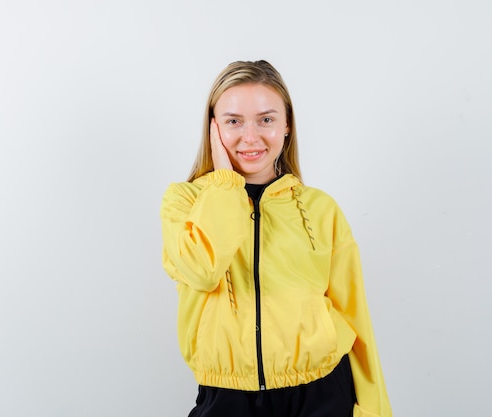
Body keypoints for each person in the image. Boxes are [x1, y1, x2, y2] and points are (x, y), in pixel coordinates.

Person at [160, 60, 392, 417]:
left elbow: (356, 317)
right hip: (227, 397)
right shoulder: (184, 201)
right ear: (212, 128)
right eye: (233, 121)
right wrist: (225, 183)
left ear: (286, 126)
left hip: (322, 391)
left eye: (266, 119)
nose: (250, 137)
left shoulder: (320, 208)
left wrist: (374, 411)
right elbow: (202, 269)